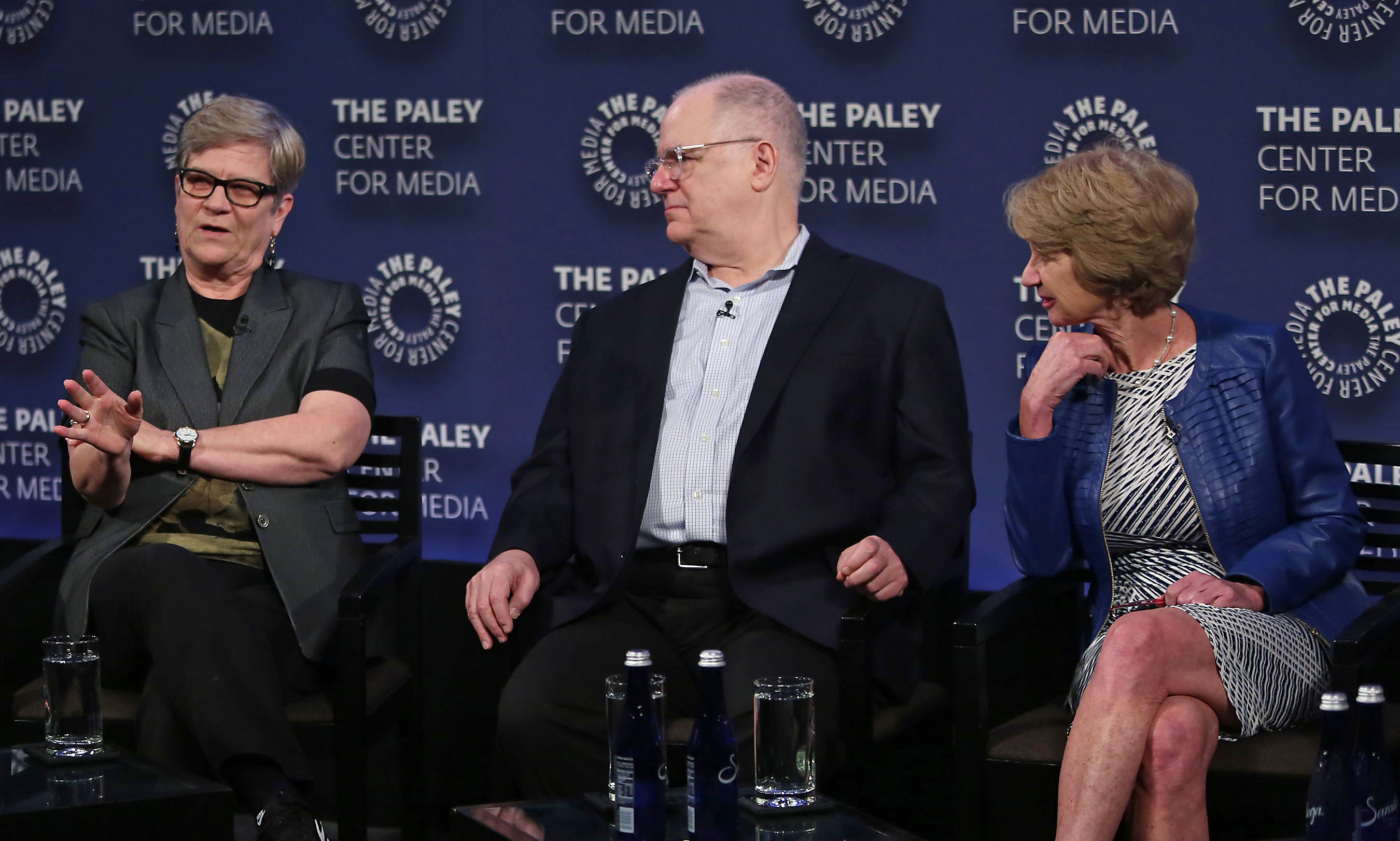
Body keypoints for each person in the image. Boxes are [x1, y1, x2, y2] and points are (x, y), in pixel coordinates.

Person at [464, 72, 975, 797]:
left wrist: (902, 547)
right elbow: (555, 471)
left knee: (762, 739)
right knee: (536, 712)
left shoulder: (890, 311)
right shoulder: (618, 324)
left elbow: (940, 473)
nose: (657, 180)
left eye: (681, 158)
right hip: (635, 599)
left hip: (792, 604)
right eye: (661, 160)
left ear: (761, 162)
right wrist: (518, 548)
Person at [1004, 146, 1369, 841]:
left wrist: (1249, 585)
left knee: (1141, 645)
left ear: (1104, 254)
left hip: (1272, 623)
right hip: (1120, 643)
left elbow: (1333, 520)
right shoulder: (1064, 378)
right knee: (1168, 742)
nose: (1028, 277)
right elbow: (1043, 558)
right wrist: (1034, 414)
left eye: (1045, 256)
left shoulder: (1254, 355)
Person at [53, 95, 376, 841]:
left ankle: (273, 808)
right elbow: (94, 484)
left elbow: (330, 440)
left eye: (243, 189)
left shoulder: (328, 309)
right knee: (174, 575)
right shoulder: (119, 319)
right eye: (198, 181)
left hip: (278, 585)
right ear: (176, 192)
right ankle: (288, 810)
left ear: (280, 210)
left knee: (180, 689)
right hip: (132, 576)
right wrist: (105, 453)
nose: (216, 203)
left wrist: (175, 444)